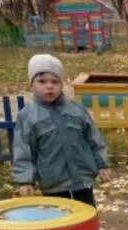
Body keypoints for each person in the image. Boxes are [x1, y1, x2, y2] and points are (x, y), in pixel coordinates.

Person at [12, 54, 111, 208]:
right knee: (60, 222)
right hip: (53, 184)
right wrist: (25, 180)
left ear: (62, 84)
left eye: (55, 81)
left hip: (82, 180)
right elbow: (23, 151)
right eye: (42, 81)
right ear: (31, 85)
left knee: (86, 217)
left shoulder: (76, 110)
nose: (49, 86)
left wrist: (103, 164)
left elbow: (94, 139)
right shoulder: (28, 116)